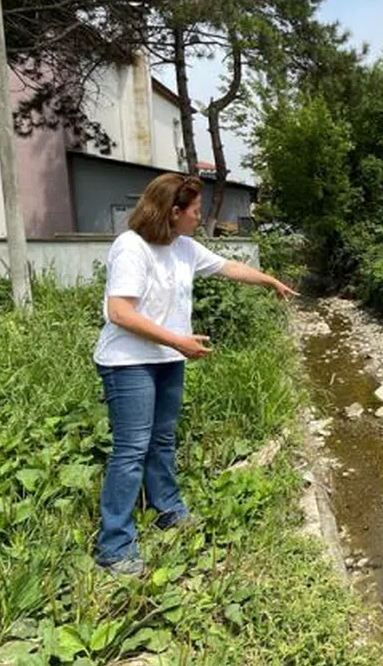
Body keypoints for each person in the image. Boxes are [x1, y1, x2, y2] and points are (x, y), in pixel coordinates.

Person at [92, 172, 296, 575]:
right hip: (128, 362)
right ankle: (114, 546)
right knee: (131, 450)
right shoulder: (132, 248)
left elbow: (227, 267)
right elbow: (120, 312)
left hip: (168, 358)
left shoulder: (183, 246)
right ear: (173, 211)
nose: (199, 218)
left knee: (162, 440)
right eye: (195, 211)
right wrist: (178, 340)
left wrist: (269, 280)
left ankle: (167, 509)